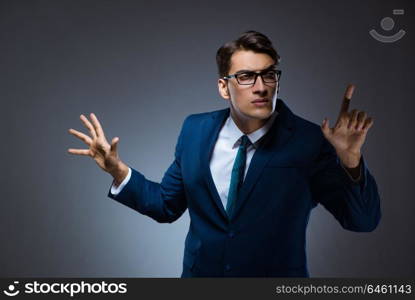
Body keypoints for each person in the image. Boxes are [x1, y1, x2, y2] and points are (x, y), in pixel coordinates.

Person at [68, 31, 381, 277]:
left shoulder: (309, 141)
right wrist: (117, 170)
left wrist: (350, 159)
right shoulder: (195, 130)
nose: (261, 87)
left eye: (269, 75)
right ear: (223, 86)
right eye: (246, 77)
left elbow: (362, 221)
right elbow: (166, 205)